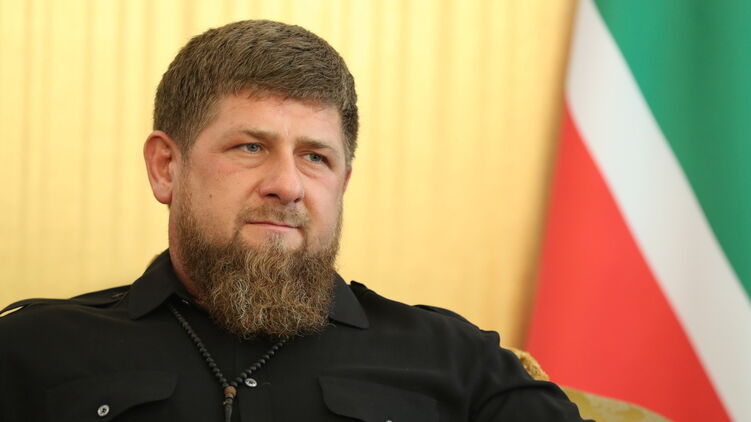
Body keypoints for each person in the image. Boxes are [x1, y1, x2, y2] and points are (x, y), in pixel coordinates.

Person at [0, 20, 590, 421]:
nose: (288, 185)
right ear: (166, 168)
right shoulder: (30, 350)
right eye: (250, 146)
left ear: (343, 183)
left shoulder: (456, 360)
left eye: (316, 157)